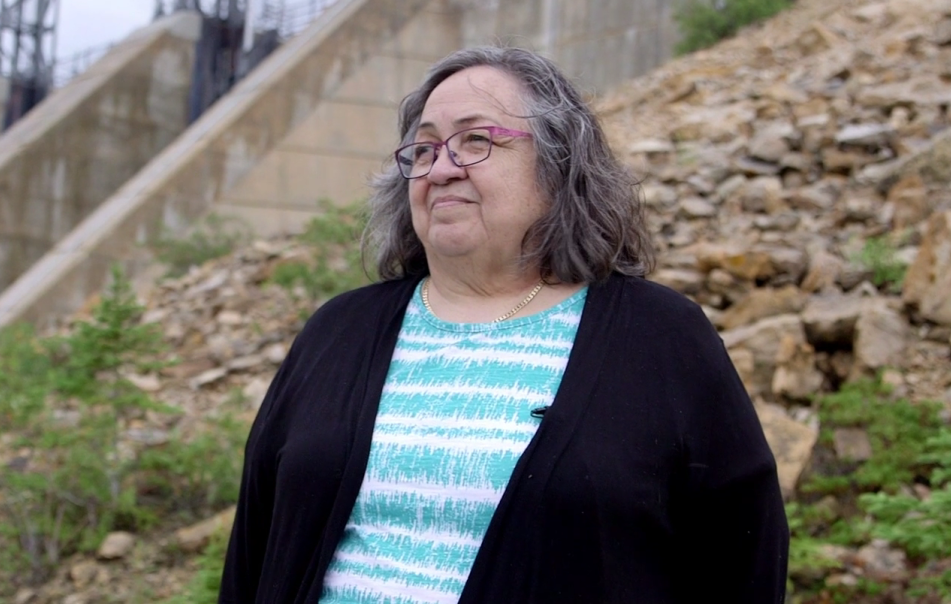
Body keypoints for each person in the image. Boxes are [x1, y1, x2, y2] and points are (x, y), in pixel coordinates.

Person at [220, 46, 788, 604]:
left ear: (558, 163)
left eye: (475, 140)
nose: (441, 168)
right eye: (424, 149)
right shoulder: (338, 331)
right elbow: (252, 551)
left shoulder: (660, 337)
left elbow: (742, 556)